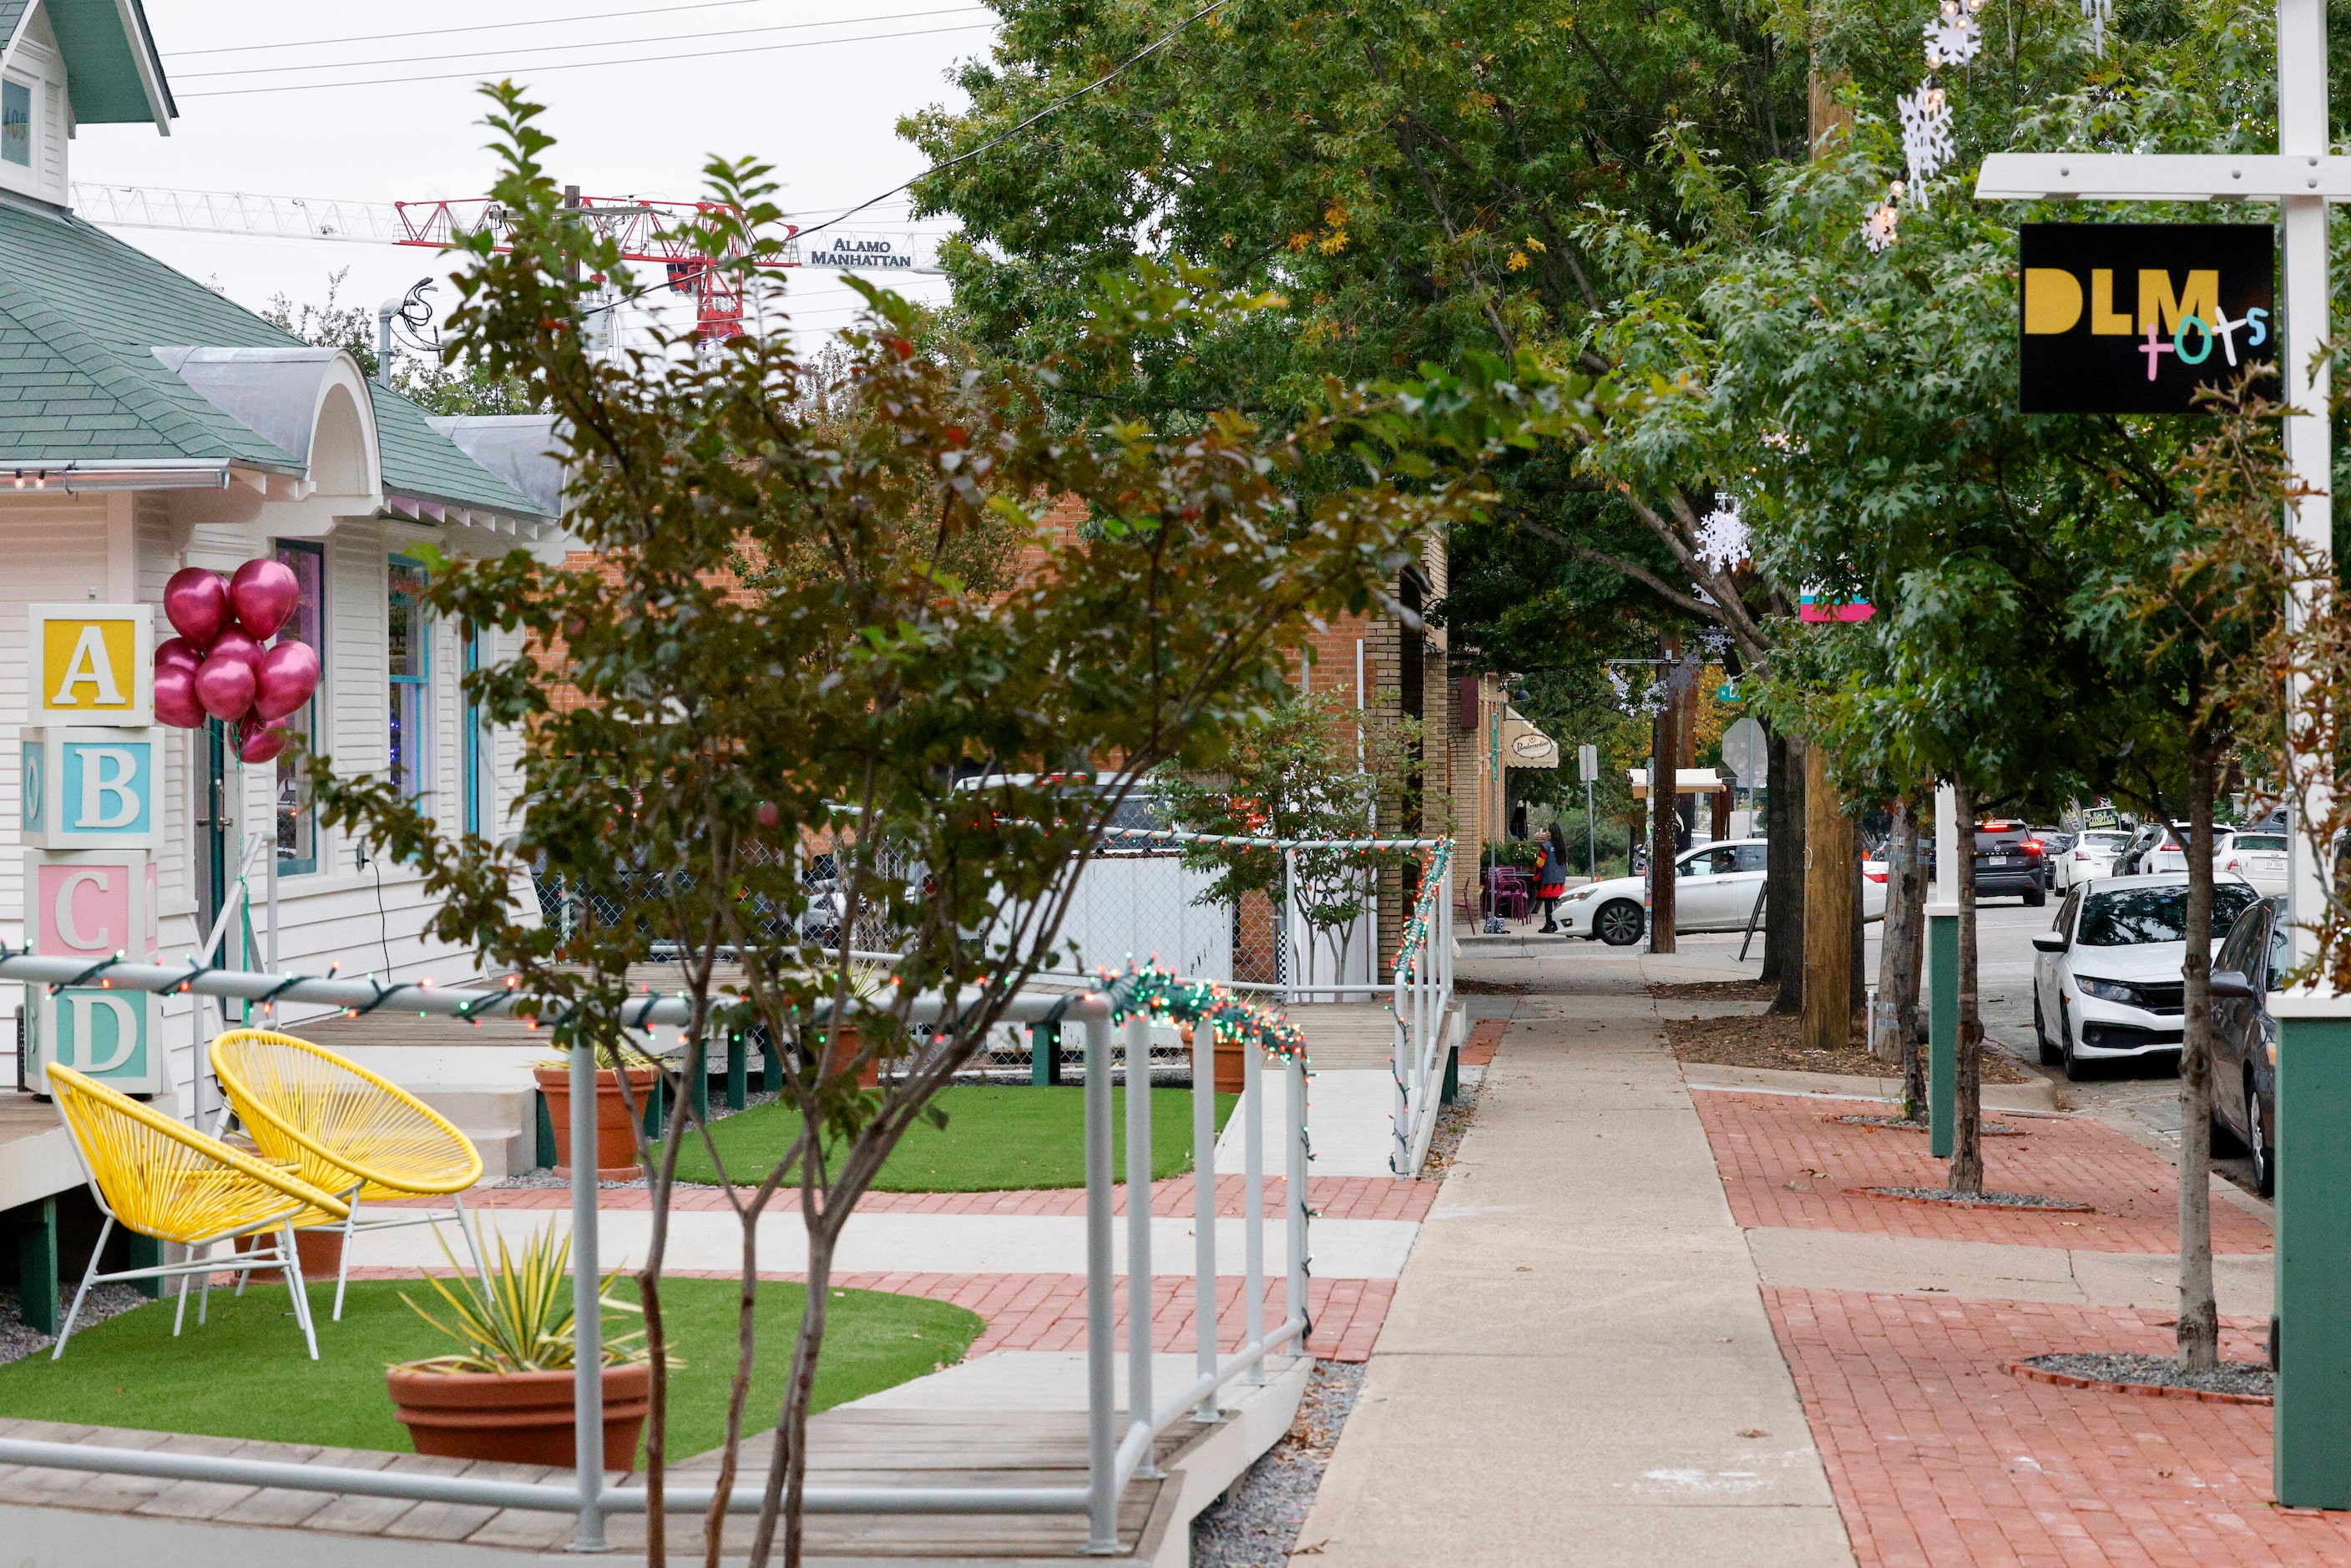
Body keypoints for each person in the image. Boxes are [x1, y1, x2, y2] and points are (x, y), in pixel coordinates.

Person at [1535, 822, 1570, 933]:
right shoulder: (1562, 847)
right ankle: (1557, 925)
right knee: (1557, 903)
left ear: (1551, 833)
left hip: (1547, 881)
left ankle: (1548, 925)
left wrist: (1536, 878)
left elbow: (1540, 865)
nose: (1546, 833)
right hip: (1560, 881)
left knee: (1548, 904)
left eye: (1547, 831)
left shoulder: (1545, 847)